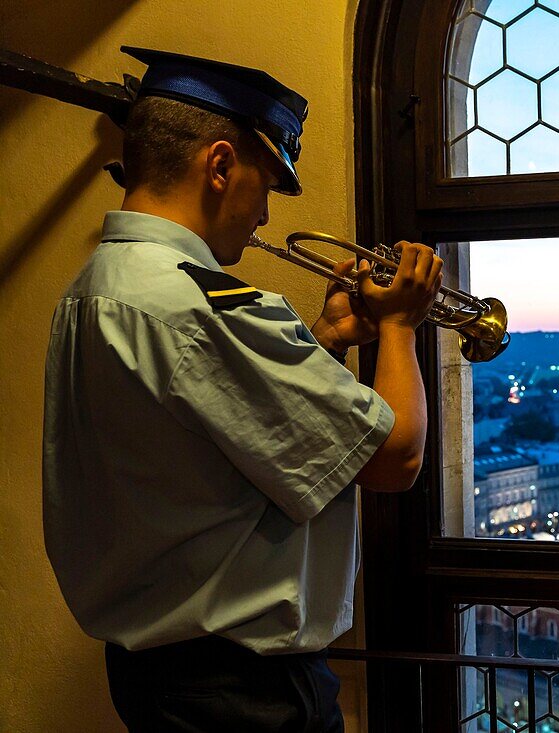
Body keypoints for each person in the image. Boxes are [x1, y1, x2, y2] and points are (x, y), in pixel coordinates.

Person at [41, 46, 441, 731]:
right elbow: (396, 456)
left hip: (160, 678)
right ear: (220, 165)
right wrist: (402, 327)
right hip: (244, 692)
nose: (264, 216)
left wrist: (329, 339)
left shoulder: (95, 289)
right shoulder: (205, 306)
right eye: (268, 183)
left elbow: (213, 439)